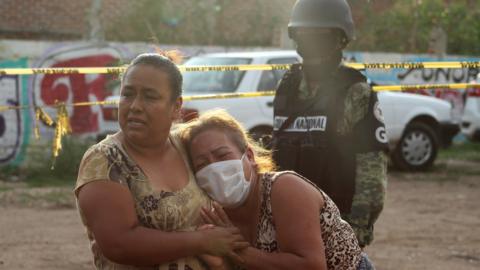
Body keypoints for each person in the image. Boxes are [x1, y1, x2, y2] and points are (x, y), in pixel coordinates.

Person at [75, 52, 248, 270]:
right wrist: (202, 242)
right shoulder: (104, 161)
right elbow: (119, 244)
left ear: (176, 107)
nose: (135, 106)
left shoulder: (187, 146)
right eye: (127, 94)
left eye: (150, 96)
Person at [179, 109, 375, 270]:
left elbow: (311, 267)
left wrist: (237, 250)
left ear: (249, 156)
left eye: (222, 155)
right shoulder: (216, 215)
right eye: (202, 163)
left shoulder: (284, 189)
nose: (214, 168)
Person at [271, 0, 388, 248]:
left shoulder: (355, 92)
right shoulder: (287, 88)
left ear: (340, 40)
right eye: (304, 35)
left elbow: (371, 173)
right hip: (284, 222)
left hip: (334, 226)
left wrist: (354, 234)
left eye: (321, 36)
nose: (311, 43)